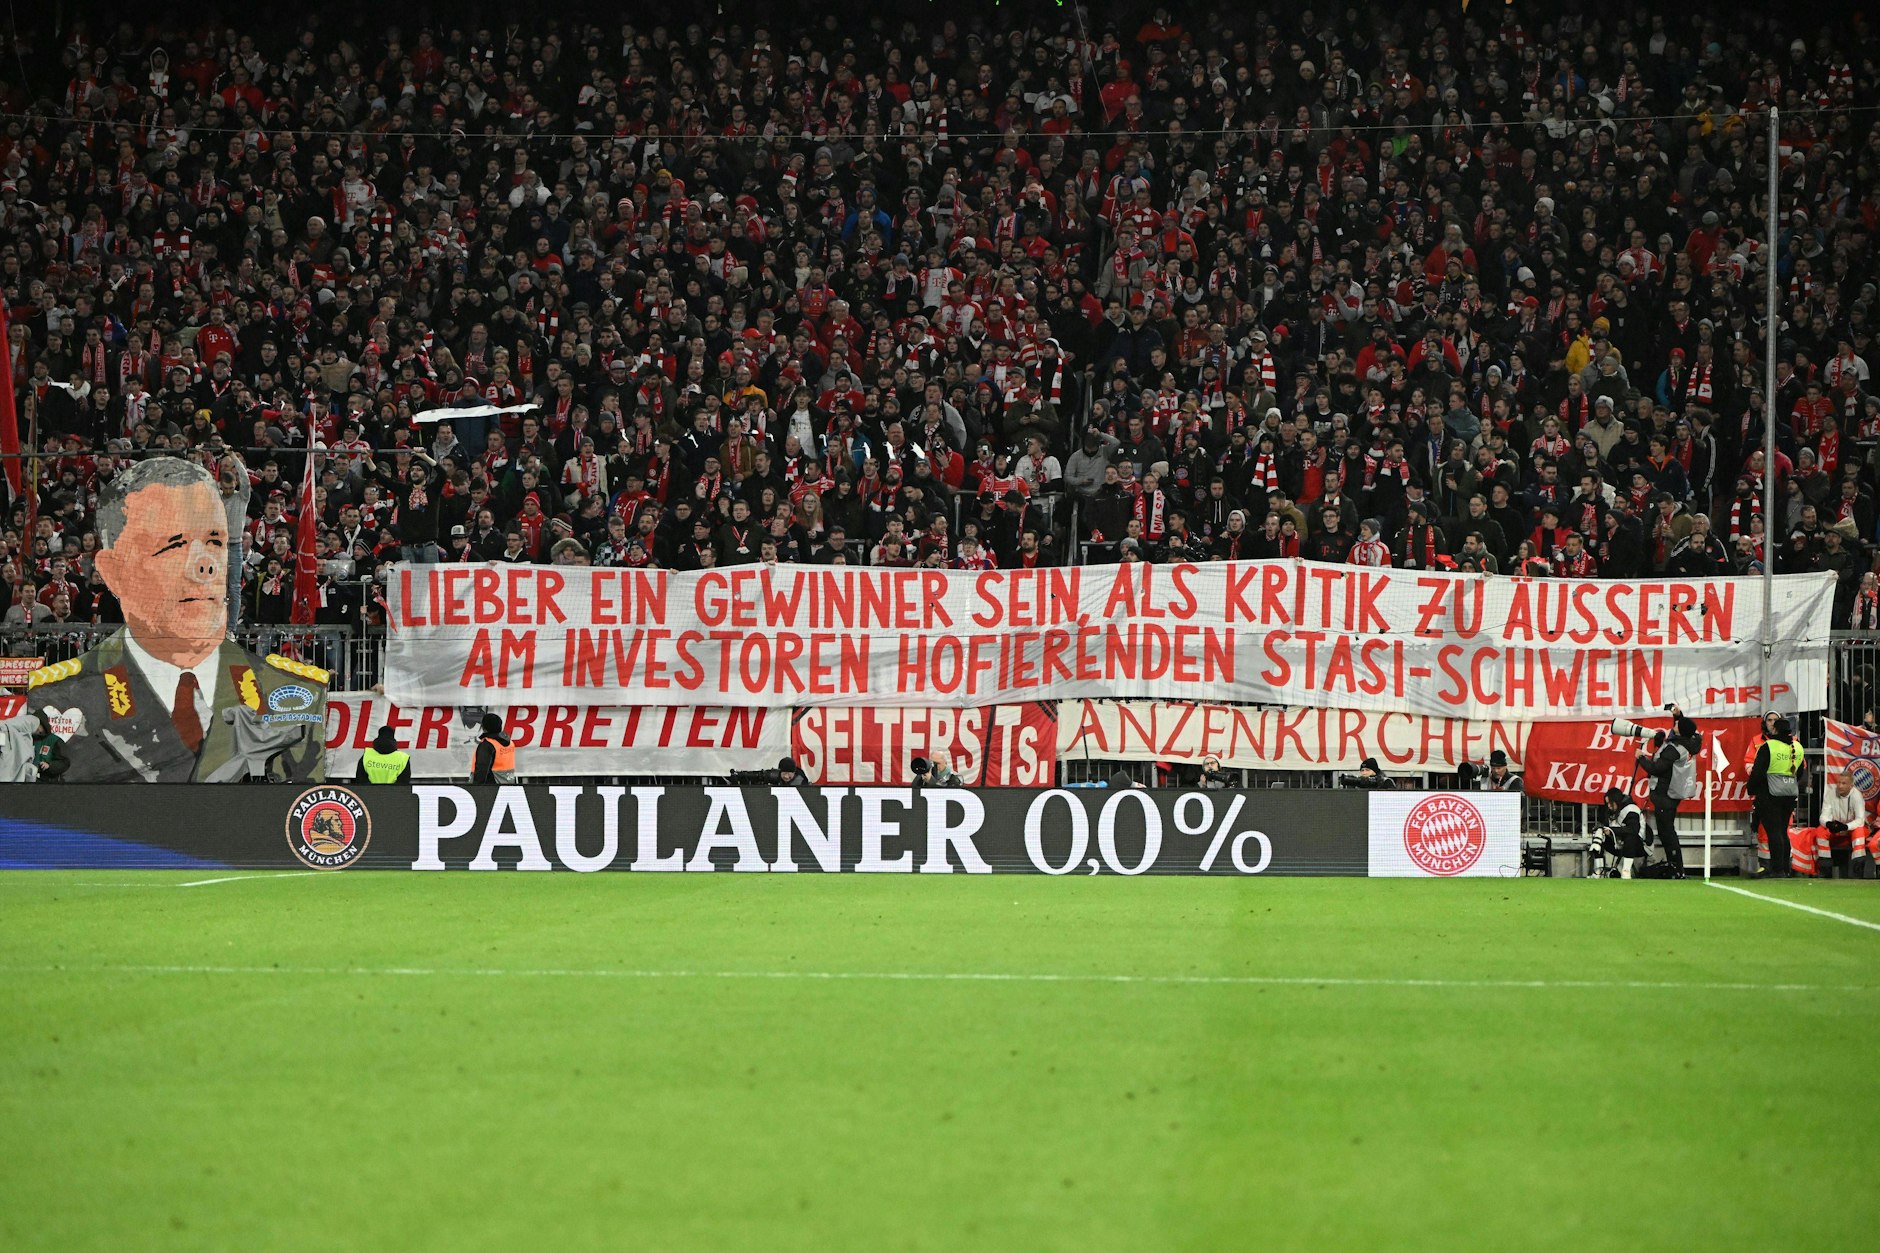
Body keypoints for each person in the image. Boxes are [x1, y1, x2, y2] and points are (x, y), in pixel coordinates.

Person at [24, 459, 328, 782]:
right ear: (115, 572)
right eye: (174, 545)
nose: (205, 565)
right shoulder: (61, 695)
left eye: (214, 542)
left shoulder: (294, 692)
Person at [1636, 711, 1699, 878]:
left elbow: (1656, 769)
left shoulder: (1674, 749)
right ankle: (1676, 867)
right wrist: (1679, 715)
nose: (1674, 725)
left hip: (1665, 794)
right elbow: (1686, 728)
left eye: (1677, 724)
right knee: (1668, 831)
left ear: (1680, 731)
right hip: (1674, 793)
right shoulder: (1692, 742)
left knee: (1667, 833)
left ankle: (1677, 868)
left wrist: (1641, 758)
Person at [1748, 716, 1805, 877]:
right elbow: (1800, 772)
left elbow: (1758, 772)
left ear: (1774, 730)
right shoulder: (1797, 747)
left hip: (1769, 793)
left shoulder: (1769, 746)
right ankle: (1785, 868)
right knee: (1782, 831)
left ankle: (1777, 869)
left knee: (1773, 832)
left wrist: (1751, 789)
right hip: (1788, 793)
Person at [1816, 774, 1868, 880]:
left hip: (1851, 829)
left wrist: (1845, 827)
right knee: (1820, 831)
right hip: (1836, 828)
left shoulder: (1857, 796)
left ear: (1851, 785)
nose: (1839, 786)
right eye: (1838, 782)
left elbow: (1860, 820)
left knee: (1859, 832)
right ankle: (1825, 870)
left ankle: (1857, 871)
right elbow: (1823, 816)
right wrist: (1828, 824)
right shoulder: (1830, 794)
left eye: (1843, 783)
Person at [1592, 787, 1650, 879]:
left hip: (1641, 845)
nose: (1609, 806)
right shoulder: (1612, 811)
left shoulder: (1631, 809)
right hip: (1620, 843)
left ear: (1616, 801)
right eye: (1607, 804)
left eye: (1610, 803)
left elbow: (1633, 830)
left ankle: (1626, 871)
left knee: (1630, 837)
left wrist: (1612, 831)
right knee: (1598, 834)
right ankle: (1598, 870)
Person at [470, 712, 516, 784]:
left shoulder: (487, 745)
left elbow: (481, 770)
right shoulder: (510, 742)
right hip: (509, 783)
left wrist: (476, 788)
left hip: (492, 787)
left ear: (484, 727)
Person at [31, 712, 69, 781]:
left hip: (49, 781)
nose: (35, 728)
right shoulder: (27, 739)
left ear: (43, 724)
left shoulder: (54, 740)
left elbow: (64, 762)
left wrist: (50, 766)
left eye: (37, 725)